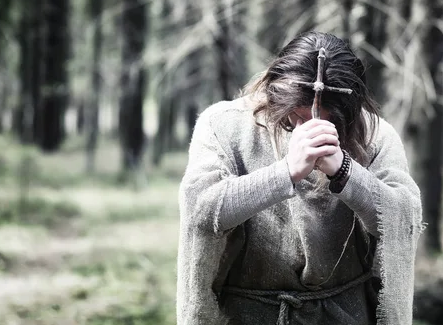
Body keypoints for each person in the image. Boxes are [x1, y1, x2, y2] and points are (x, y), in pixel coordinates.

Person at [176, 31, 423, 325]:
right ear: (276, 90)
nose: (311, 126)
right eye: (299, 115)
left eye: (327, 116)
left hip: (345, 315)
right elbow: (202, 209)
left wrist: (345, 171)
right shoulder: (223, 125)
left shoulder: (376, 135)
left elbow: (404, 217)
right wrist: (286, 171)